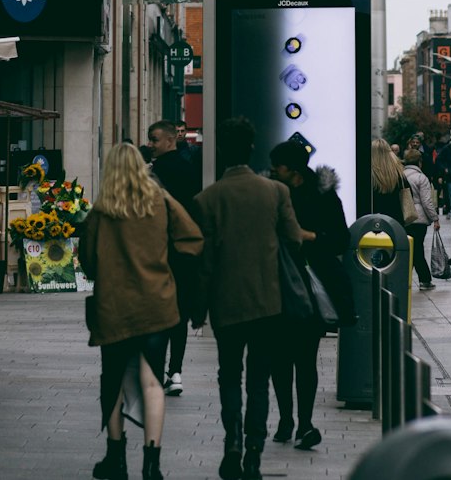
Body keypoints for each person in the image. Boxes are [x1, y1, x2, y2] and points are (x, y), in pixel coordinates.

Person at [79, 142, 203, 480]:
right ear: (143, 167)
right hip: (156, 303)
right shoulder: (161, 201)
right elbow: (192, 239)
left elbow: (87, 262)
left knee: (114, 380)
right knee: (152, 383)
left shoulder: (101, 211)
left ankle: (115, 459)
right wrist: (165, 266)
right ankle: (152, 463)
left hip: (114, 306)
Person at [191, 116, 305, 480]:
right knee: (259, 378)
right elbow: (294, 240)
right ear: (252, 148)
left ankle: (233, 443)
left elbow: (204, 261)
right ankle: (255, 448)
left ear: (221, 150)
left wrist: (198, 308)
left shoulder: (206, 199)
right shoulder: (275, 192)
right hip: (267, 300)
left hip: (226, 303)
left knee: (229, 377)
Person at [268, 138, 352, 453]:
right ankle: (286, 419)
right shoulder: (273, 192)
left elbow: (341, 239)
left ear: (293, 170)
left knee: (305, 358)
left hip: (311, 284)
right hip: (277, 282)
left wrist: (310, 237)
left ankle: (303, 422)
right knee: (279, 358)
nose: (273, 172)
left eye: (278, 168)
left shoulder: (323, 195)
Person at [147, 120, 200, 398]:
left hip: (159, 252)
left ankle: (157, 373)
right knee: (178, 315)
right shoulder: (190, 169)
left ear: (170, 140)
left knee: (157, 313)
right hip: (183, 254)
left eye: (154, 140)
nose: (150, 144)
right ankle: (175, 371)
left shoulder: (156, 174)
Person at [402, 147, 438, 291]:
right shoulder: (421, 177)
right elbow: (426, 201)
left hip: (404, 215)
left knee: (411, 248)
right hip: (418, 217)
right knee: (417, 249)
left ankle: (408, 277)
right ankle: (424, 279)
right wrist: (435, 218)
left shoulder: (401, 175)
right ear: (420, 161)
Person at [371, 138, 415, 224]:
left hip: (372, 221)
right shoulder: (398, 173)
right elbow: (409, 195)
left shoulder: (369, 175)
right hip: (395, 221)